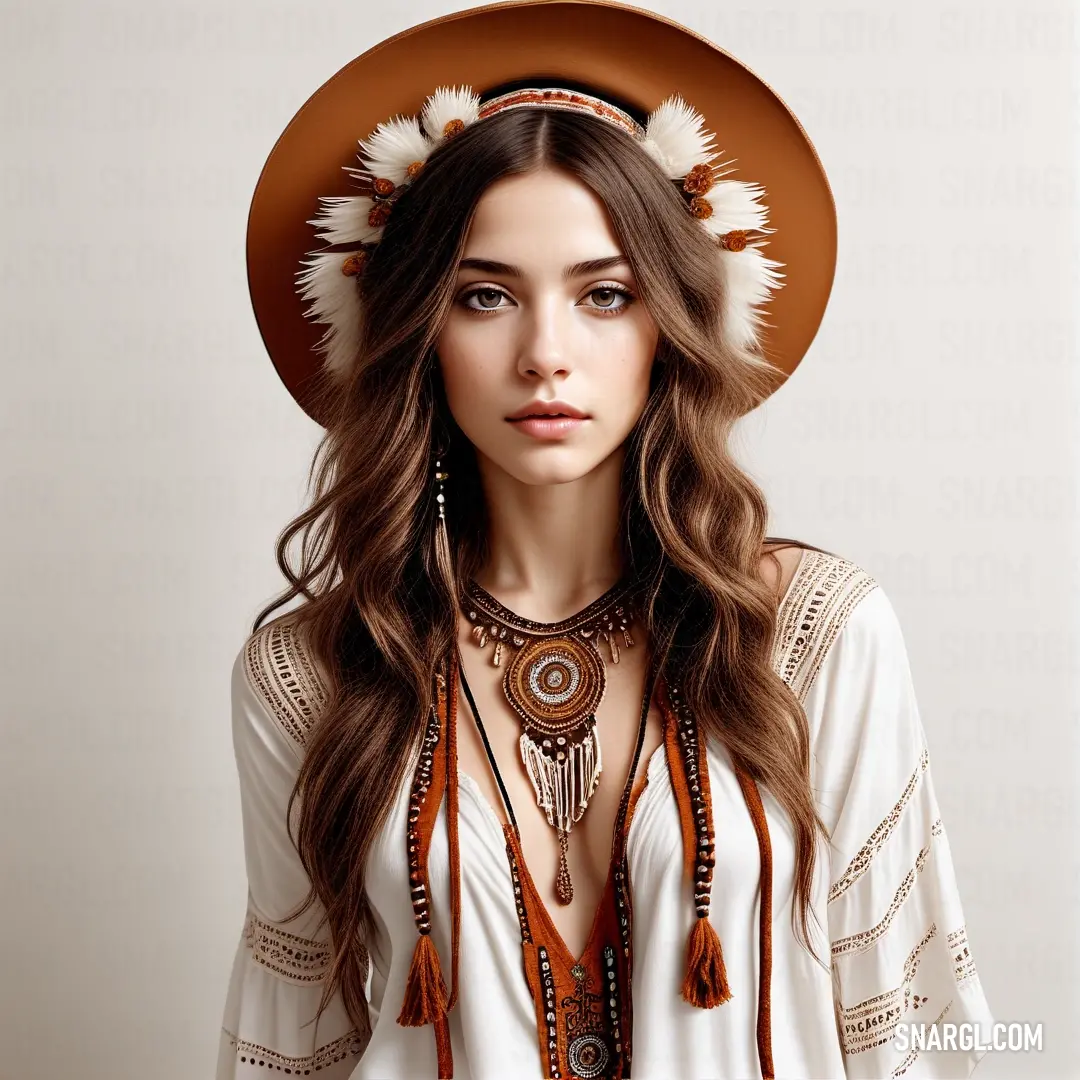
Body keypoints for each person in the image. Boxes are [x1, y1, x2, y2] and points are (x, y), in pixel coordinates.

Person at [218, 4, 995, 1078]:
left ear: (671, 326)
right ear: (416, 332)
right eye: (484, 296)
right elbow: (290, 1040)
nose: (547, 353)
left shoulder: (814, 636)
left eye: (605, 294)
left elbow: (908, 1019)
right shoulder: (309, 678)